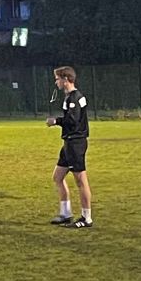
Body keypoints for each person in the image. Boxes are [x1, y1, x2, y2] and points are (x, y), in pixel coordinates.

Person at [47, 66, 94, 228]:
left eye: (58, 79)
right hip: (69, 142)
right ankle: (65, 213)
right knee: (58, 177)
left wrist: (56, 121)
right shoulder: (70, 97)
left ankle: (86, 218)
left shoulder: (74, 98)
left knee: (81, 181)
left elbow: (73, 121)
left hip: (76, 143)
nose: (56, 82)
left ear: (65, 79)